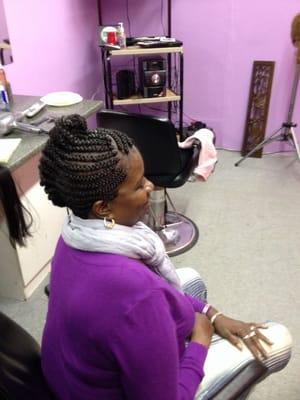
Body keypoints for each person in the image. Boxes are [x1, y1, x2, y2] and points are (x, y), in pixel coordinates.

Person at [39, 114, 292, 400]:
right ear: (104, 208)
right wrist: (201, 338)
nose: (150, 186)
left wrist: (213, 314)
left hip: (76, 376)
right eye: (137, 186)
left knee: (191, 279)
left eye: (144, 177)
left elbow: (155, 293)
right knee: (279, 340)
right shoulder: (137, 294)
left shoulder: (74, 232)